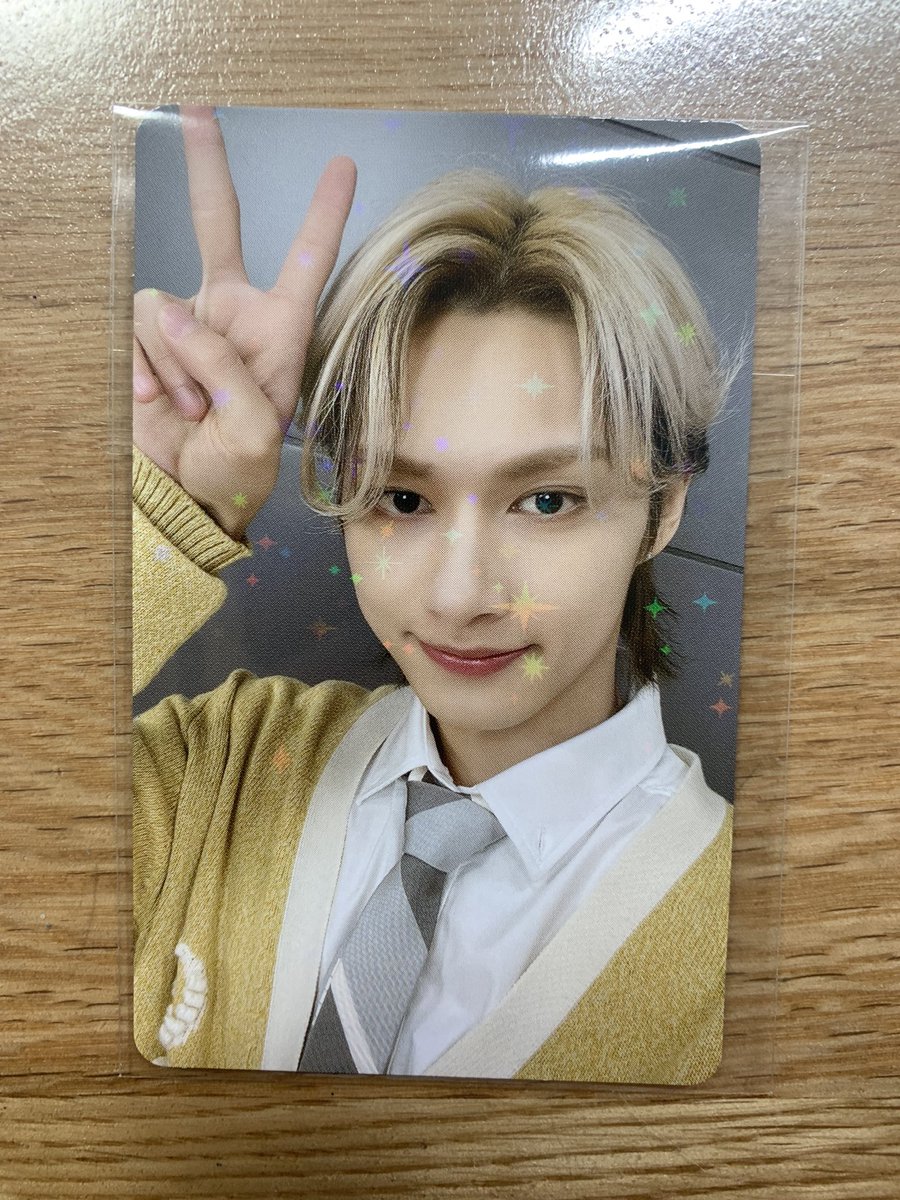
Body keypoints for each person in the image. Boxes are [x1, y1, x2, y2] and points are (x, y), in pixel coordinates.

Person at [132, 105, 736, 1083]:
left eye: (547, 499)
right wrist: (158, 512)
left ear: (662, 507)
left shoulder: (761, 923)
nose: (460, 596)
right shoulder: (222, 761)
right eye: (403, 498)